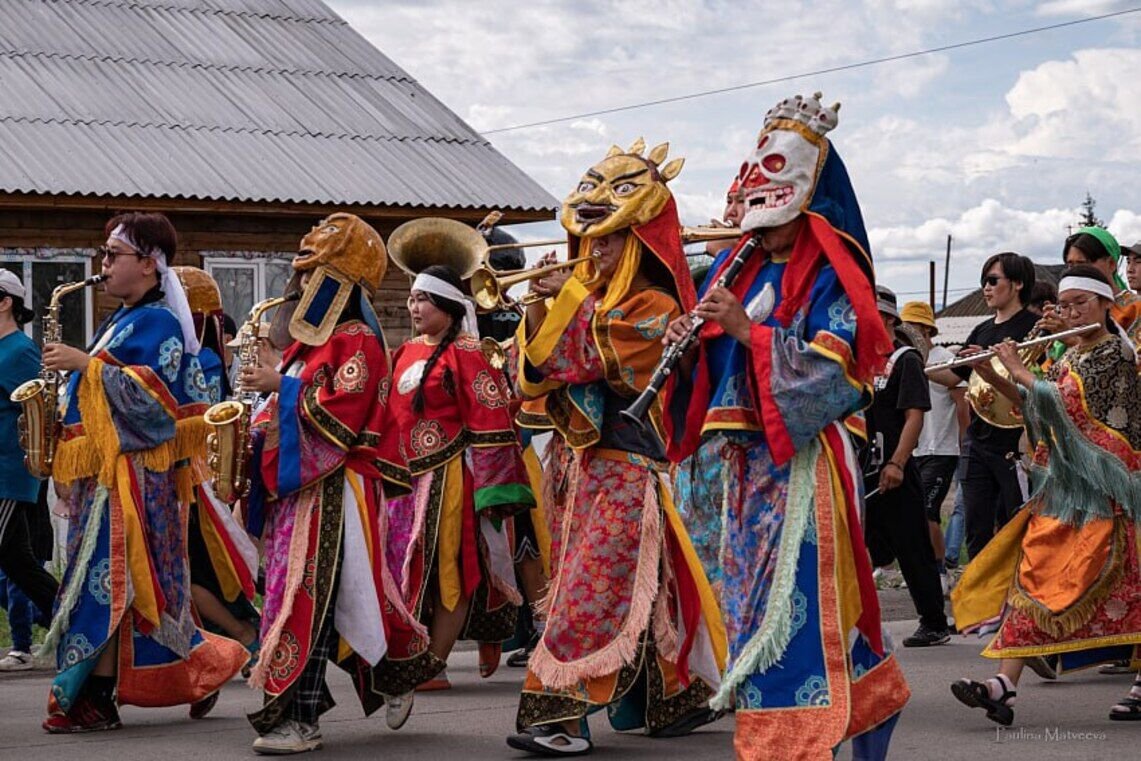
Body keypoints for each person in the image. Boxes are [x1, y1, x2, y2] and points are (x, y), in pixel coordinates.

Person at [663, 94, 908, 760]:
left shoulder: (834, 275)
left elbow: (839, 374)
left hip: (799, 463)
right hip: (738, 467)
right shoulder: (733, 267)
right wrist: (687, 348)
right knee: (763, 609)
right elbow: (714, 377)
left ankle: (786, 744)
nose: (761, 234)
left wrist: (747, 331)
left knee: (792, 613)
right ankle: (868, 703)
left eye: (775, 220)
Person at [507, 138, 725, 757]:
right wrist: (549, 302)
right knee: (643, 591)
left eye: (607, 241)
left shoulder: (653, 308)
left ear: (637, 243)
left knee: (590, 590)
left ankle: (560, 712)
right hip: (583, 470)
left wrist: (563, 299)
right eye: (589, 241)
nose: (593, 252)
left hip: (628, 471)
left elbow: (573, 358)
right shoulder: (591, 302)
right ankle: (674, 697)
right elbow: (531, 378)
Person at [38, 212, 247, 733]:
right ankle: (193, 668)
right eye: (104, 254)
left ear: (149, 265)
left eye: (113, 255)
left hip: (134, 481)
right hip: (105, 479)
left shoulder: (159, 323)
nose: (102, 264)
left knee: (112, 584)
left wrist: (87, 366)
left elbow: (154, 408)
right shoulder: (121, 319)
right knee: (120, 586)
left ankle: (94, 696)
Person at [241, 213, 422, 754]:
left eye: (309, 275)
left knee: (311, 598)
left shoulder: (359, 339)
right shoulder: (306, 344)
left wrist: (282, 385)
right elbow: (284, 403)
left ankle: (301, 719)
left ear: (334, 283)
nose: (296, 286)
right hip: (299, 489)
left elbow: (342, 418)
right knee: (330, 599)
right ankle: (396, 671)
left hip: (336, 489)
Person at [950, 265, 1141, 725]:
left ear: (1105, 306)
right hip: (1066, 490)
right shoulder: (1070, 356)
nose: (1071, 312)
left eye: (1082, 304)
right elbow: (1030, 405)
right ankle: (1003, 685)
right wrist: (990, 374)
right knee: (1031, 577)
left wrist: (1017, 365)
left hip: (1110, 491)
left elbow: (1065, 403)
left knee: (1130, 586)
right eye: (1067, 304)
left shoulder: (1114, 351)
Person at [385, 263, 534, 696]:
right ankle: (416, 654)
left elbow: (491, 417)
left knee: (450, 566)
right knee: (410, 571)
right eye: (411, 298)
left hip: (451, 477)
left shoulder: (469, 351)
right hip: (406, 482)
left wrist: (493, 490)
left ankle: (434, 662)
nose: (414, 307)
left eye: (423, 299)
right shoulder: (407, 350)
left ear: (448, 306)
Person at [173, 267, 261, 711]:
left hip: (193, 482)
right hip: (181, 480)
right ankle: (205, 665)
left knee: (189, 577)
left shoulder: (201, 361)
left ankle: (241, 637)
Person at [674, 175, 748, 599]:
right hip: (701, 439)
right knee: (699, 569)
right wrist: (682, 346)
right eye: (728, 201)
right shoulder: (712, 277)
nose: (728, 215)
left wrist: (741, 327)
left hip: (744, 444)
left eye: (740, 203)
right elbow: (697, 371)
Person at [865, 289, 950, 646]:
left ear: (886, 318)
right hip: (863, 470)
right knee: (864, 547)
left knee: (912, 547)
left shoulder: (905, 359)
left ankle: (934, 622)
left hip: (896, 468)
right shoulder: (859, 359)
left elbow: (914, 416)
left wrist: (897, 463)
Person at [953, 252, 1038, 560]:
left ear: (1017, 284)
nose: (985, 289)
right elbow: (953, 374)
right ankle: (980, 604)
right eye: (983, 282)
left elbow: (1035, 389)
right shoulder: (982, 329)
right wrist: (908, 361)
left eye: (992, 281)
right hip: (977, 441)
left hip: (1014, 444)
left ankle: (1016, 603)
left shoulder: (1035, 329)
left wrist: (990, 365)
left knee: (1016, 526)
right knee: (976, 528)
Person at [0, 269, 58, 641]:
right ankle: (65, 619)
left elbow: (41, 414)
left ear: (5, 303)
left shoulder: (21, 351)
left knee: (12, 554)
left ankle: (68, 619)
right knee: (15, 558)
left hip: (9, 470)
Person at [902, 300, 968, 594]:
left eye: (914, 326)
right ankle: (924, 568)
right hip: (915, 450)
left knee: (929, 512)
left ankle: (940, 570)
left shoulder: (944, 358)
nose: (908, 332)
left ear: (927, 328)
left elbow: (962, 406)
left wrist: (965, 446)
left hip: (943, 448)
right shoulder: (905, 360)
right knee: (914, 515)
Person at [1061, 227, 1141, 345]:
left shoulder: (1136, 308)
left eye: (1083, 265)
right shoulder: (1068, 312)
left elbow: (1130, 360)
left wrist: (1072, 340)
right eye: (1070, 265)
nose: (1075, 273)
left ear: (1111, 264)